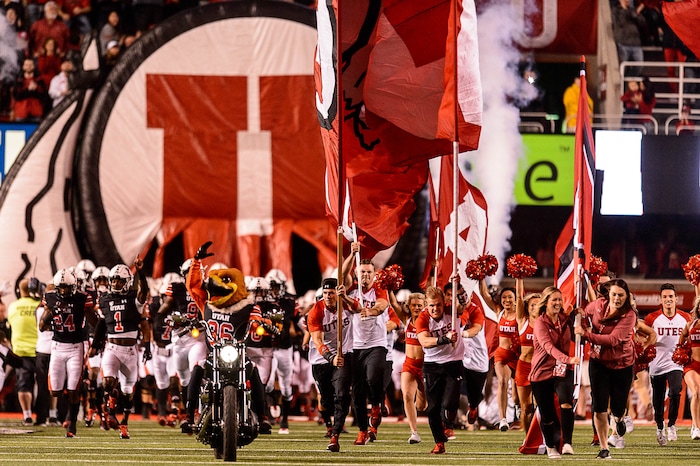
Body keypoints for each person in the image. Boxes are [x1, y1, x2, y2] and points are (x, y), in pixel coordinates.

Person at [575, 278, 637, 460]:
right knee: (599, 406)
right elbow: (585, 312)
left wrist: (585, 334)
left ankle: (619, 419)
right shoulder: (598, 305)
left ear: (627, 297)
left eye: (621, 295)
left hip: (622, 365)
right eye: (614, 294)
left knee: (618, 407)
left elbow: (613, 340)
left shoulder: (629, 315)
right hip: (598, 363)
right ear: (608, 294)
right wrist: (580, 313)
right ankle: (603, 448)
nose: (617, 298)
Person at [94, 259, 151, 440]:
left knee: (128, 393)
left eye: (120, 280)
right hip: (112, 348)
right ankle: (110, 407)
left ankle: (124, 423)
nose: (116, 283)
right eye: (114, 280)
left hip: (130, 350)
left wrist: (140, 273)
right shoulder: (104, 299)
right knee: (107, 382)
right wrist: (95, 345)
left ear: (127, 282)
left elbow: (144, 291)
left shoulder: (134, 299)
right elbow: (102, 324)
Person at [39, 269, 100, 437]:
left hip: (76, 347)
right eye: (61, 287)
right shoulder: (51, 298)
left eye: (66, 287)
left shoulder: (81, 298)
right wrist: (52, 312)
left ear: (73, 287)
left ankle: (72, 422)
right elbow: (42, 326)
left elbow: (95, 322)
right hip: (57, 346)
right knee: (55, 391)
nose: (64, 291)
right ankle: (69, 400)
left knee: (74, 389)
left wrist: (99, 339)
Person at [341, 242, 390, 444]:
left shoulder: (379, 290)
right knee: (357, 392)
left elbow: (381, 306)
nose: (366, 276)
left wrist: (369, 311)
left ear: (374, 274)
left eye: (369, 273)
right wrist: (352, 255)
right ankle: (362, 429)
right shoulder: (352, 289)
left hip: (376, 342)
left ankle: (377, 403)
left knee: (372, 377)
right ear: (357, 273)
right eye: (362, 272)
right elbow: (342, 275)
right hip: (356, 345)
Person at [307, 277, 357, 452]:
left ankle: (335, 436)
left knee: (342, 395)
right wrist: (330, 357)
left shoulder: (346, 305)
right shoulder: (316, 311)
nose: (328, 296)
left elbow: (360, 308)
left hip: (343, 355)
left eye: (331, 292)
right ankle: (328, 422)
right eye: (326, 293)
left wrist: (347, 298)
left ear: (338, 292)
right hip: (322, 358)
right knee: (326, 399)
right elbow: (318, 340)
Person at [530, 286, 579, 459]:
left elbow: (577, 336)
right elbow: (547, 347)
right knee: (548, 415)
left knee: (566, 402)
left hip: (562, 370)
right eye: (554, 300)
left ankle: (567, 443)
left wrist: (579, 321)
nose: (558, 303)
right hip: (541, 372)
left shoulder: (565, 320)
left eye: (560, 299)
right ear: (546, 303)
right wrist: (568, 359)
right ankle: (551, 446)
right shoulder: (540, 323)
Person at [416, 286, 464, 454]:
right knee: (433, 408)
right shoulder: (422, 318)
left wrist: (460, 287)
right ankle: (439, 442)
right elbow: (424, 341)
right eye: (431, 306)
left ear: (444, 303)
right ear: (426, 305)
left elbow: (464, 304)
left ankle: (448, 423)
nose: (435, 309)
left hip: (453, 361)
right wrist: (444, 339)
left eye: (438, 305)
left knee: (450, 402)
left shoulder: (452, 310)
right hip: (432, 364)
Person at [645, 283, 691, 445]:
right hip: (656, 363)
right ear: (661, 299)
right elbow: (641, 336)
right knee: (657, 398)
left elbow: (690, 337)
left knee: (676, 390)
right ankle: (659, 426)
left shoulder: (686, 317)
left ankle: (671, 425)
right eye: (665, 297)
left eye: (671, 296)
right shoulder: (651, 318)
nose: (668, 299)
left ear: (676, 299)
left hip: (675, 363)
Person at [263, 269, 302, 435]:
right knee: (267, 383)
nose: (273, 291)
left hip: (285, 346)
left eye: (276, 287)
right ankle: (272, 405)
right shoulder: (261, 302)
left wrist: (310, 332)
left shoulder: (290, 301)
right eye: (271, 287)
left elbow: (300, 321)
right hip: (267, 347)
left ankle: (284, 419)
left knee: (286, 386)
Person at [389, 289, 427, 444]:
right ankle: (414, 432)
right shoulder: (406, 319)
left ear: (425, 306)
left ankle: (422, 391)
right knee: (406, 396)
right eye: (414, 305)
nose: (417, 308)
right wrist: (389, 286)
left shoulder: (429, 321)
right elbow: (392, 303)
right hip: (409, 364)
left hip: (424, 365)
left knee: (422, 405)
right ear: (409, 307)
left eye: (419, 305)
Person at [480, 279, 518, 431]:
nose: (507, 300)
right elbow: (484, 294)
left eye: (510, 297)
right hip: (502, 354)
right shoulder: (499, 311)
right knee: (502, 382)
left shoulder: (521, 313)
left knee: (516, 394)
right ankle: (503, 419)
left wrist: (519, 279)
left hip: (518, 355)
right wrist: (480, 276)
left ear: (515, 299)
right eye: (504, 298)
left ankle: (518, 409)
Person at [7, 278, 42, 425]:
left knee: (23, 384)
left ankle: (27, 415)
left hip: (21, 352)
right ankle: (49, 415)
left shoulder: (13, 307)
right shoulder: (39, 305)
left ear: (19, 291)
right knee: (44, 386)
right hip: (39, 350)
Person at [514, 278, 541, 435]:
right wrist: (519, 278)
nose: (535, 307)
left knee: (541, 406)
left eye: (538, 304)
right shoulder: (522, 321)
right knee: (526, 407)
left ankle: (541, 436)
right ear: (527, 307)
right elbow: (518, 297)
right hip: (524, 367)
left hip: (540, 367)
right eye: (532, 305)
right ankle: (527, 437)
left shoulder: (545, 323)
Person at [679, 293, 700, 440]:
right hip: (692, 365)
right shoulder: (690, 324)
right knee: (697, 392)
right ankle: (696, 427)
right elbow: (681, 340)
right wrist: (681, 353)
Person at [612, 0, 646, 77]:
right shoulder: (616, 11)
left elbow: (642, 23)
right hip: (623, 43)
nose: (626, 0)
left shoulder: (633, 10)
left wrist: (637, 14)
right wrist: (625, 10)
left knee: (639, 66)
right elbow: (621, 22)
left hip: (636, 43)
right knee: (623, 67)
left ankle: (629, 81)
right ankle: (623, 84)